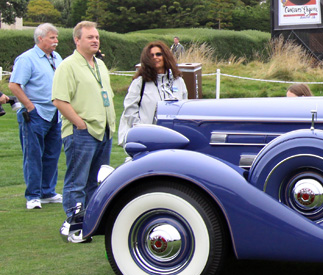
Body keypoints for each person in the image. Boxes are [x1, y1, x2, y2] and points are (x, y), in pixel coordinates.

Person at [52, 21, 117, 242]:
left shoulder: (100, 65)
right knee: (76, 181)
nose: (95, 40)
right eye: (90, 37)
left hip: (103, 132)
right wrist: (80, 124)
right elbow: (60, 100)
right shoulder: (68, 66)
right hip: (82, 132)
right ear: (77, 40)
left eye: (97, 37)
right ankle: (73, 226)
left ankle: (90, 223)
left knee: (96, 181)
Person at [8, 23, 64, 210]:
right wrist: (30, 107)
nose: (56, 41)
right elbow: (14, 85)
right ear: (40, 39)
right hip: (35, 114)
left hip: (55, 113)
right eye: (52, 38)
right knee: (33, 155)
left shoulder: (57, 57)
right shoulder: (26, 59)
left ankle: (48, 192)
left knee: (52, 154)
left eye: (56, 38)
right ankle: (33, 195)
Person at [118, 41, 188, 145]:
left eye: (158, 54)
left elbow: (184, 108)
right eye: (151, 55)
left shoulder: (178, 81)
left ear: (165, 56)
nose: (155, 57)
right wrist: (141, 130)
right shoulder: (140, 82)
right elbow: (130, 109)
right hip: (145, 139)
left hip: (173, 138)